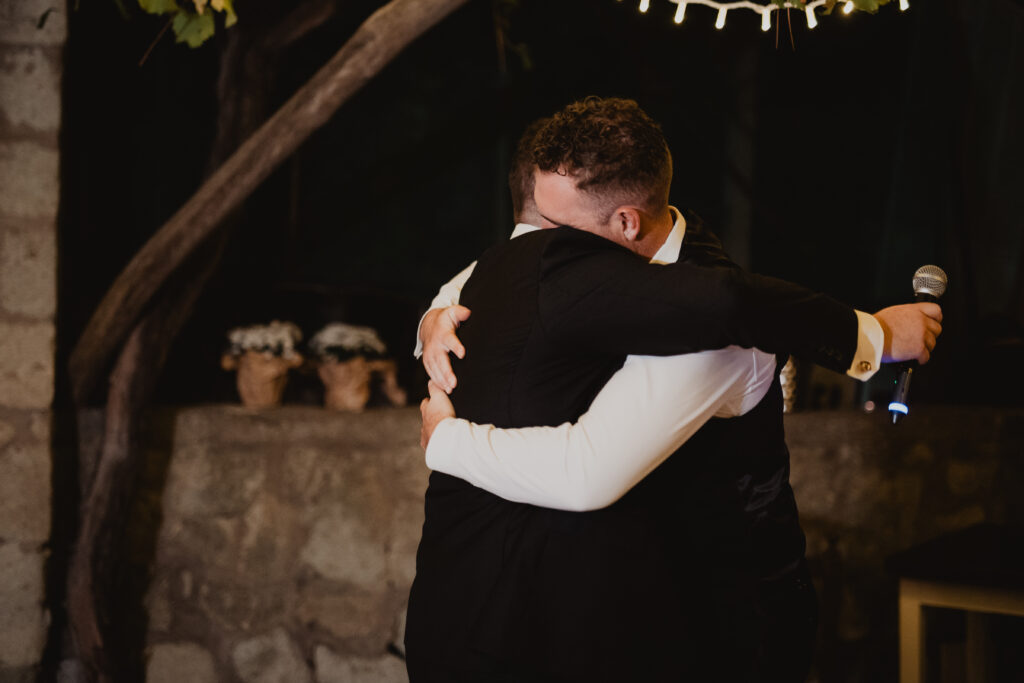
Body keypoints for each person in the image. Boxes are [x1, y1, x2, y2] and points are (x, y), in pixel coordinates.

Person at [405, 98, 942, 682]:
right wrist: (435, 315)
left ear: (627, 223)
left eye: (551, 231)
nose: (533, 244)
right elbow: (486, 274)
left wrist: (447, 440)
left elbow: (586, 472)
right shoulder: (590, 264)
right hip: (632, 615)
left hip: (728, 618)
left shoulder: (714, 325)